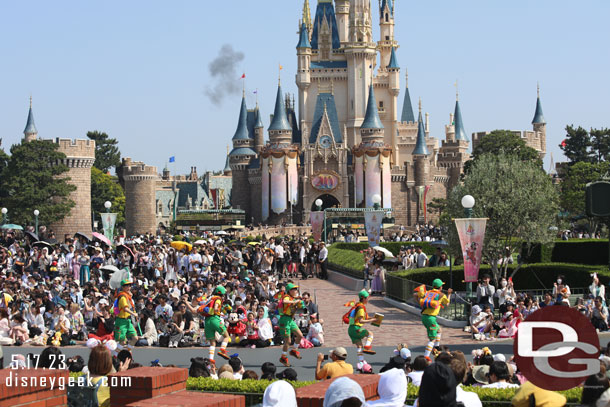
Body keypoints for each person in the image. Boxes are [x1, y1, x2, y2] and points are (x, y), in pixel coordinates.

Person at [414, 279, 452, 359]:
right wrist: (449, 294)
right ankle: (426, 357)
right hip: (431, 318)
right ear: (440, 287)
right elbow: (447, 303)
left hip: (424, 317)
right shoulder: (442, 295)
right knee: (432, 339)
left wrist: (419, 302)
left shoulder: (427, 293)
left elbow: (415, 295)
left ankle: (436, 348)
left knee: (439, 330)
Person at [199, 285, 230, 363]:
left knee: (212, 342)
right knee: (226, 336)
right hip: (215, 319)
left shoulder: (210, 298)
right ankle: (222, 350)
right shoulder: (218, 299)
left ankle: (211, 359)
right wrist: (217, 310)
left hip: (207, 321)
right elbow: (216, 307)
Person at [347, 289, 377, 368]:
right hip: (356, 328)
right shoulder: (361, 308)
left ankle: (361, 362)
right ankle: (367, 347)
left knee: (359, 346)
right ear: (363, 298)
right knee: (370, 334)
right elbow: (361, 320)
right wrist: (372, 320)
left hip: (351, 329)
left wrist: (373, 318)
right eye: (367, 297)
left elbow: (364, 317)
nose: (368, 299)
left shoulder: (357, 306)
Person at [278, 283, 304, 367]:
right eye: (294, 289)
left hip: (290, 319)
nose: (296, 291)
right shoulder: (286, 296)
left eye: (296, 289)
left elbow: (299, 307)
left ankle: (294, 350)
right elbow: (285, 301)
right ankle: (283, 357)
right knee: (288, 341)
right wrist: (295, 301)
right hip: (284, 320)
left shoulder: (293, 298)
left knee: (300, 335)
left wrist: (299, 303)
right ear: (290, 291)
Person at [113, 279, 139, 346]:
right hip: (121, 321)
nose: (128, 287)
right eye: (126, 286)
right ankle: (116, 355)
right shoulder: (122, 297)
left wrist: (130, 296)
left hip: (128, 320)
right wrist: (134, 314)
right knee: (122, 342)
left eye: (129, 285)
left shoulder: (127, 296)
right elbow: (125, 308)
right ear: (123, 287)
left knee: (135, 338)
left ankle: (128, 351)